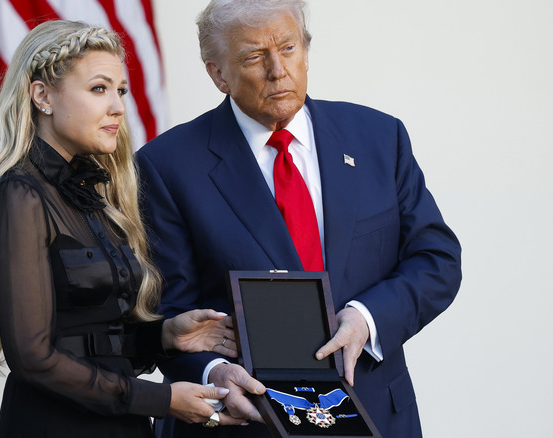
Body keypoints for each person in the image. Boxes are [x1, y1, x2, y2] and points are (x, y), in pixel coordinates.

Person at [135, 1, 462, 437]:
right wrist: (212, 371)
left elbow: (435, 259)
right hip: (246, 418)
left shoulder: (379, 137)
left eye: (288, 48)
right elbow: (168, 311)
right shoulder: (166, 165)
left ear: (305, 52)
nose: (277, 70)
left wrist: (367, 317)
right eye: (254, 57)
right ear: (218, 74)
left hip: (376, 411)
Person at [0, 20, 243, 437]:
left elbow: (101, 344)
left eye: (120, 91)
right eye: (99, 89)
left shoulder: (93, 195)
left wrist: (167, 335)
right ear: (42, 96)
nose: (118, 106)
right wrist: (163, 400)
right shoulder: (19, 196)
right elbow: (34, 358)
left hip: (121, 423)